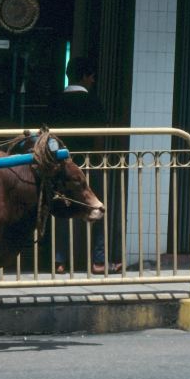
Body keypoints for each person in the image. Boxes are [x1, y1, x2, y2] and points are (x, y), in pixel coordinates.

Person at [49, 55, 122, 275]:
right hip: (88, 163)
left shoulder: (56, 101)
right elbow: (98, 136)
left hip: (62, 165)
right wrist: (98, 159)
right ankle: (98, 261)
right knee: (97, 207)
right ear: (85, 76)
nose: (93, 81)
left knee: (62, 208)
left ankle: (59, 261)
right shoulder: (93, 101)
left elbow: (49, 136)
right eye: (92, 76)